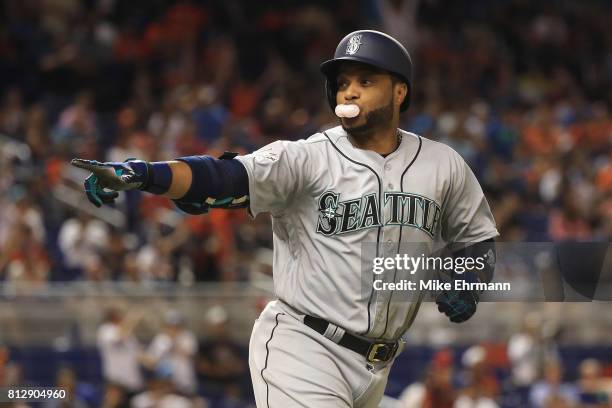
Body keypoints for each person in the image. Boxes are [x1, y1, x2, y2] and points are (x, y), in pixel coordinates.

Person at [71, 30, 498, 408]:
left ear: (400, 92)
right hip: (304, 346)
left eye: (365, 81)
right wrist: (144, 174)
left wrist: (470, 280)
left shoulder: (444, 165)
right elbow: (222, 176)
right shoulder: (307, 157)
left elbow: (476, 237)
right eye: (342, 83)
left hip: (377, 364)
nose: (349, 92)